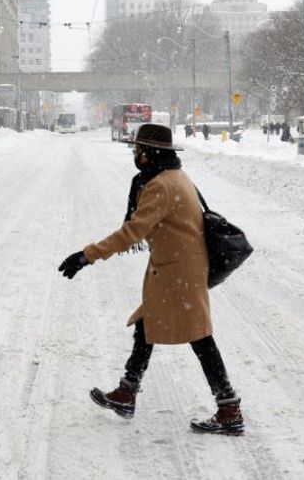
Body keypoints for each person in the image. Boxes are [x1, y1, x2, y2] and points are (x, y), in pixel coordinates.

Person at [56, 123, 244, 435]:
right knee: (149, 323)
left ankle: (228, 407)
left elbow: (132, 233)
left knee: (199, 337)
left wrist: (86, 255)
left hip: (178, 271)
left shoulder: (160, 187)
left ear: (150, 153)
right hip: (178, 268)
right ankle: (127, 392)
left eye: (138, 150)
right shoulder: (172, 176)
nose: (135, 154)